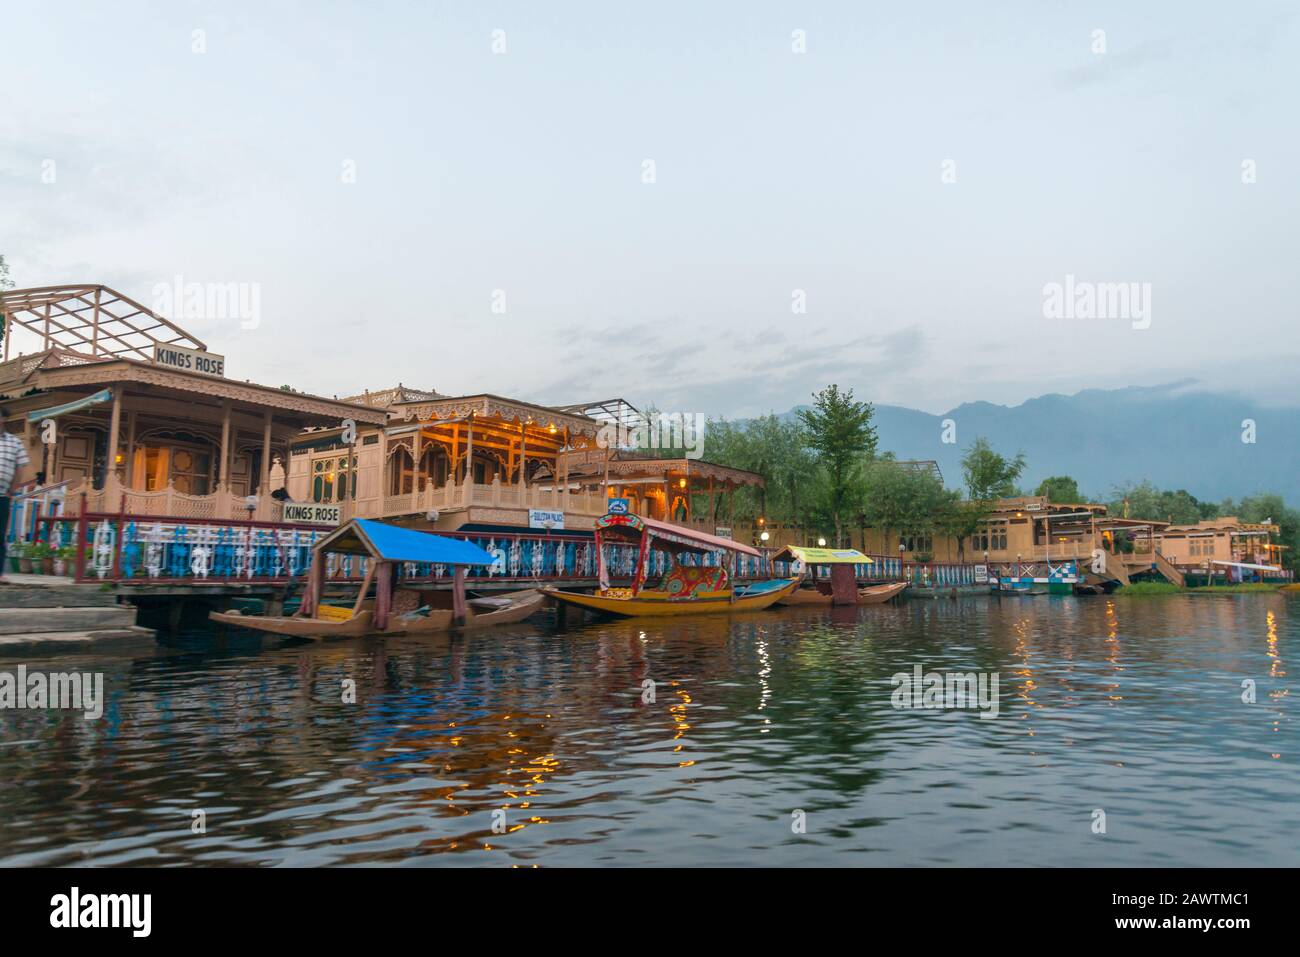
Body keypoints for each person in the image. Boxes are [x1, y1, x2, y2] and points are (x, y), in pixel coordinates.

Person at [0, 407, 33, 582]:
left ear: (3, 419)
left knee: (0, 534)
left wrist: (13, 488)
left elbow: (20, 467)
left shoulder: (14, 442)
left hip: (2, 496)